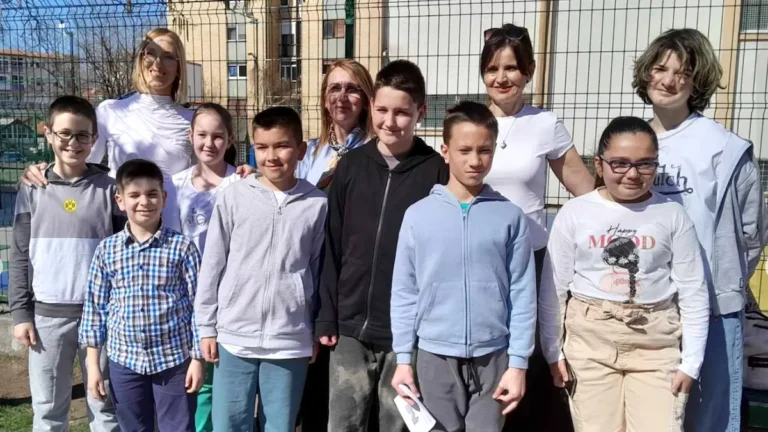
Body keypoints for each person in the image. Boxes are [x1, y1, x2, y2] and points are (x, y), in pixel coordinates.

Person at [632, 28, 767, 432]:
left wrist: (721, 282)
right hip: (644, 307)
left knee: (709, 421)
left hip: (711, 309)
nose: (668, 80)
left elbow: (751, 233)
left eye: (683, 73)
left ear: (697, 83)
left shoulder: (725, 148)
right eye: (660, 68)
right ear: (646, 72)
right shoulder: (630, 144)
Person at [542, 116, 710, 431]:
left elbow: (693, 291)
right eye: (619, 163)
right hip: (590, 342)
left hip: (655, 343)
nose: (632, 174)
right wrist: (553, 352)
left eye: (645, 164)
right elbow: (554, 289)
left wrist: (691, 363)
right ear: (599, 164)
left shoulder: (672, 215)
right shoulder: (575, 213)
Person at [315, 59, 449, 432]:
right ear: (372, 106)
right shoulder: (351, 166)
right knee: (344, 422)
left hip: (406, 333)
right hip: (349, 326)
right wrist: (327, 313)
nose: (390, 121)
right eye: (382, 110)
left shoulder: (436, 172)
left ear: (421, 112)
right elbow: (332, 244)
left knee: (397, 424)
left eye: (402, 112)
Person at [390, 101, 536, 431]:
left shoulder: (510, 216)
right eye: (464, 150)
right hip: (435, 357)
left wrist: (518, 363)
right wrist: (403, 358)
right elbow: (404, 292)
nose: (475, 161)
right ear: (445, 151)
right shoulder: (418, 216)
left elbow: (523, 293)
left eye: (484, 150)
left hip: (494, 357)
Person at [479, 23, 593, 431]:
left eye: (511, 67)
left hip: (532, 260)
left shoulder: (545, 123)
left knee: (530, 359)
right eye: (492, 68)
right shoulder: (472, 121)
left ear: (528, 71)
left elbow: (586, 192)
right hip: (481, 261)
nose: (501, 77)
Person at [195, 106, 326, 432]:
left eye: (282, 146)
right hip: (234, 335)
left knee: (280, 426)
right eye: (262, 147)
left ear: (300, 150)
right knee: (229, 424)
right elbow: (213, 263)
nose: (271, 156)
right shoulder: (234, 197)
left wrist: (311, 328)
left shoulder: (317, 204)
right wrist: (207, 326)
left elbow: (317, 269)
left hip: (289, 340)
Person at [9, 96, 121, 432]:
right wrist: (21, 313)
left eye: (83, 135)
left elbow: (122, 255)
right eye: (65, 134)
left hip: (101, 318)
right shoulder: (32, 188)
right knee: (48, 411)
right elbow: (19, 253)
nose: (74, 142)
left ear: (95, 139)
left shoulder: (110, 189)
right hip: (47, 318)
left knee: (105, 407)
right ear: (48, 134)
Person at [19, 28, 253, 188]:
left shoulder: (191, 119)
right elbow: (81, 163)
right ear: (141, 60)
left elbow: (206, 175)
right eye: (151, 54)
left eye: (168, 56)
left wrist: (240, 175)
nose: (158, 64)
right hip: (120, 224)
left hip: (173, 225)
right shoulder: (110, 111)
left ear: (179, 66)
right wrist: (45, 171)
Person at [79, 159, 205, 432]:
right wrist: (94, 366)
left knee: (178, 427)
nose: (144, 202)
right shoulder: (107, 250)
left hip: (174, 360)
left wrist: (197, 359)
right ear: (120, 201)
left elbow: (199, 307)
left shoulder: (182, 248)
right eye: (134, 195)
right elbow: (95, 309)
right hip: (125, 362)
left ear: (164, 198)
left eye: (152, 194)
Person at [163, 103, 239, 432]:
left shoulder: (242, 183)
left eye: (218, 136)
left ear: (231, 139)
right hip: (184, 302)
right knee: (188, 380)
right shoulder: (173, 186)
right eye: (202, 135)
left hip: (227, 301)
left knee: (218, 379)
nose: (209, 143)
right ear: (190, 135)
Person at [296, 59, 374, 190]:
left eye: (352, 89)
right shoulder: (310, 152)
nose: (342, 98)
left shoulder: (376, 152)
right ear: (325, 100)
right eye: (335, 88)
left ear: (366, 101)